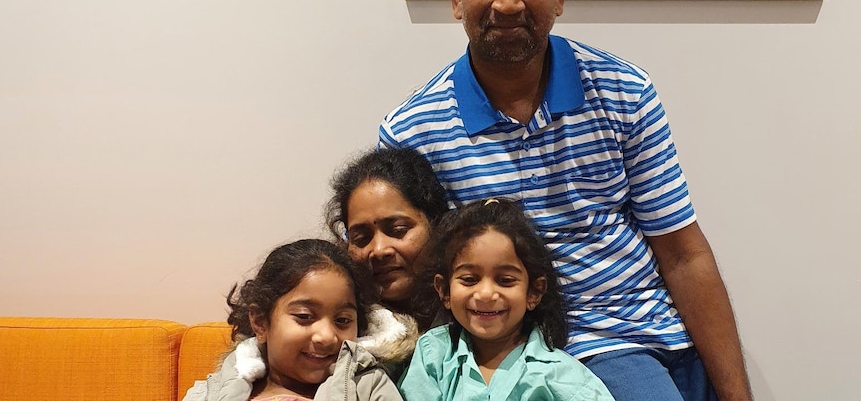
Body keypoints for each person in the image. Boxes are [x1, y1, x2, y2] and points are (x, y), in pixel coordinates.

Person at [378, 0, 753, 399]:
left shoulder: (624, 91)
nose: (508, 2)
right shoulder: (411, 132)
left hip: (638, 336)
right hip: (510, 348)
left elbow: (682, 254)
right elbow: (408, 274)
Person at [398, 199, 614, 400]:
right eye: (469, 279)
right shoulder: (433, 354)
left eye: (505, 280)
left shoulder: (562, 375)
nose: (485, 294)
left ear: (533, 293)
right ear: (444, 290)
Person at [182, 239, 403, 401]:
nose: (326, 336)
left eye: (343, 320)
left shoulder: (368, 386)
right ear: (260, 322)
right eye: (305, 317)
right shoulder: (210, 393)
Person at [326, 147, 450, 334]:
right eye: (361, 238)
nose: (379, 250)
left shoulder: (477, 317)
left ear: (436, 225)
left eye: (397, 230)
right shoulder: (335, 329)